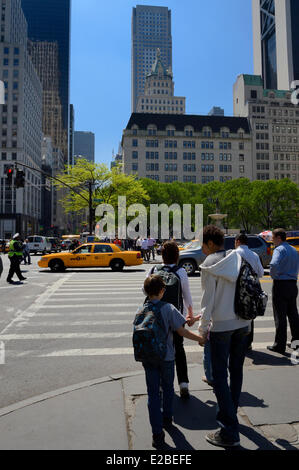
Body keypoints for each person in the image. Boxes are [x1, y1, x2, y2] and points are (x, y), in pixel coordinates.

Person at [198, 225, 251, 448]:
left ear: (210, 244)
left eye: (202, 243)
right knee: (236, 370)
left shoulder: (209, 264)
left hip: (221, 326)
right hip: (243, 322)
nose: (200, 248)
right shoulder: (237, 258)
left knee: (219, 377)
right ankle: (231, 413)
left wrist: (202, 330)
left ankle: (229, 429)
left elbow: (207, 300)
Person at [141, 275, 205, 449]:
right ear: (162, 291)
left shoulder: (142, 308)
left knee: (153, 394)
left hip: (148, 358)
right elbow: (181, 331)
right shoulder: (168, 308)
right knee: (168, 388)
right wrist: (201, 338)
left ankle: (157, 434)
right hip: (167, 357)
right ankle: (167, 418)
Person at [148, 240, 197, 399]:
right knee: (179, 349)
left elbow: (144, 290)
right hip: (177, 317)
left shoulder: (154, 269)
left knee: (161, 349)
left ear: (162, 255)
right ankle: (183, 384)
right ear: (177, 255)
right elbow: (187, 296)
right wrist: (190, 314)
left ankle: (162, 386)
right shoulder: (181, 271)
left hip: (157, 316)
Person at [268, 228, 299, 354]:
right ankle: (296, 342)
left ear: (279, 238)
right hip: (293, 284)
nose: (272, 240)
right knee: (293, 315)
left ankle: (279, 345)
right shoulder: (293, 249)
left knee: (280, 316)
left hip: (281, 284)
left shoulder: (279, 249)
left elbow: (274, 264)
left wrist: (274, 276)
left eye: (273, 238)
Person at [235, 233, 264, 350]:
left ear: (237, 241)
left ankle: (237, 342)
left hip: (236, 289)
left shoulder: (234, 253)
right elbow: (261, 273)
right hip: (251, 290)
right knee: (250, 315)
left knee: (236, 315)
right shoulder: (254, 255)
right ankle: (248, 343)